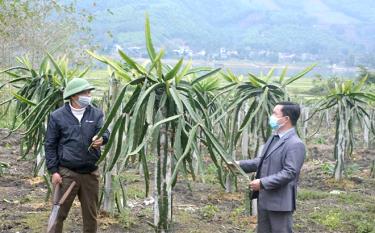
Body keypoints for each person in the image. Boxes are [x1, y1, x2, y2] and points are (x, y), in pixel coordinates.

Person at [229, 102, 305, 233]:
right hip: (265, 199)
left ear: (286, 119)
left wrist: (262, 183)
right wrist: (239, 165)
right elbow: (262, 161)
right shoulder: (274, 138)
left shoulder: (295, 144)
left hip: (280, 203)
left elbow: (289, 172)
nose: (272, 116)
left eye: (275, 113)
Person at [45, 78, 110, 233]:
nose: (89, 95)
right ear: (74, 95)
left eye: (89, 92)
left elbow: (104, 131)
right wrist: (54, 171)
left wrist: (102, 139)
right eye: (85, 92)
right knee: (58, 213)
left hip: (90, 173)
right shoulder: (57, 116)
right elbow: (50, 144)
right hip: (67, 173)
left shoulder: (96, 113)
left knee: (91, 215)